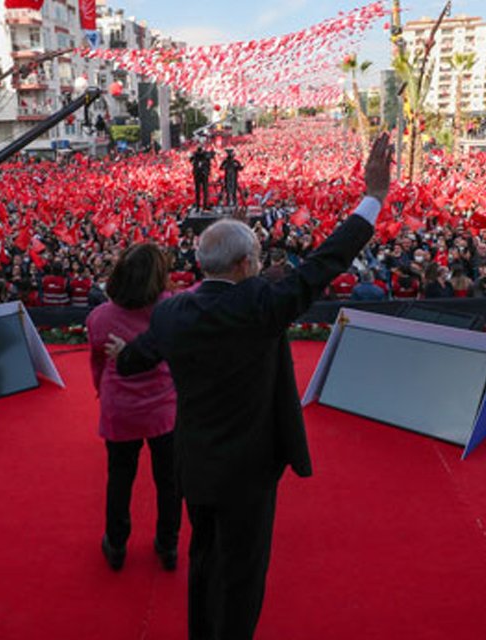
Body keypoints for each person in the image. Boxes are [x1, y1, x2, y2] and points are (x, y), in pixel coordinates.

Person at [106, 133, 393, 640]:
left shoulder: (173, 311)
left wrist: (122, 357)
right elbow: (327, 262)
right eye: (257, 258)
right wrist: (373, 196)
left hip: (195, 463)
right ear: (244, 266)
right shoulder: (264, 306)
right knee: (242, 573)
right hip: (249, 470)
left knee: (203, 559)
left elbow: (139, 358)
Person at [88, 243, 181, 572]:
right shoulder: (171, 309)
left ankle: (116, 544)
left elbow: (97, 364)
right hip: (164, 410)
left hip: (121, 410)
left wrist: (105, 389)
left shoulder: (99, 318)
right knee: (169, 481)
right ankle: (168, 544)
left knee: (120, 478)